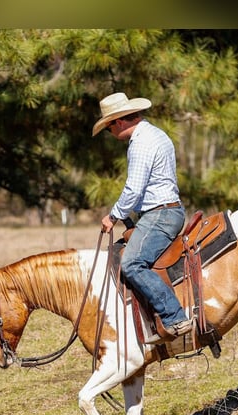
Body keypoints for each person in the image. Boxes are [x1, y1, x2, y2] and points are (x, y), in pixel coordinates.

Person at [93, 92, 193, 341]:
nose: (111, 134)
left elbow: (134, 187)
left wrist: (113, 216)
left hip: (160, 214)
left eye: (108, 129)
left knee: (131, 264)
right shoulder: (155, 134)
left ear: (117, 122)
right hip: (164, 210)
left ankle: (175, 317)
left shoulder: (141, 143)